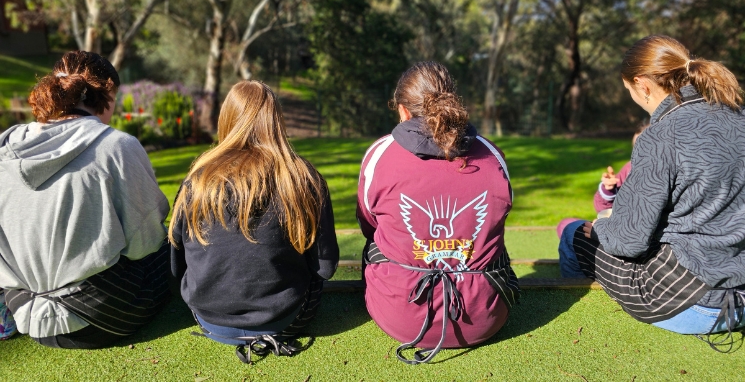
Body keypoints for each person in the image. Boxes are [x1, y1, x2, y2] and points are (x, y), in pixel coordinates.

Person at [558, 35, 745, 351]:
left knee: (574, 233)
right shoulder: (739, 117)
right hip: (740, 295)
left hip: (693, 304)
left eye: (628, 90)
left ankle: (570, 313)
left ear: (642, 84)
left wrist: (601, 228)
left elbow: (629, 241)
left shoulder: (659, 136)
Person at [0, 51, 171, 349]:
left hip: (28, 314)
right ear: (106, 93)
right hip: (104, 316)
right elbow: (146, 244)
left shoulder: (6, 146)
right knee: (169, 247)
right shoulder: (117, 146)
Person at [357, 61, 519, 364]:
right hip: (485, 319)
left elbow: (368, 225)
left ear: (404, 111)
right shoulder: (492, 154)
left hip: (399, 318)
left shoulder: (380, 155)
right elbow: (497, 220)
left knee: (374, 241)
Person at [169, 81, 339, 363]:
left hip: (209, 319)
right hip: (289, 320)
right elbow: (325, 267)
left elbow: (177, 266)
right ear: (276, 120)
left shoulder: (198, 179)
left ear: (227, 118)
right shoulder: (304, 178)